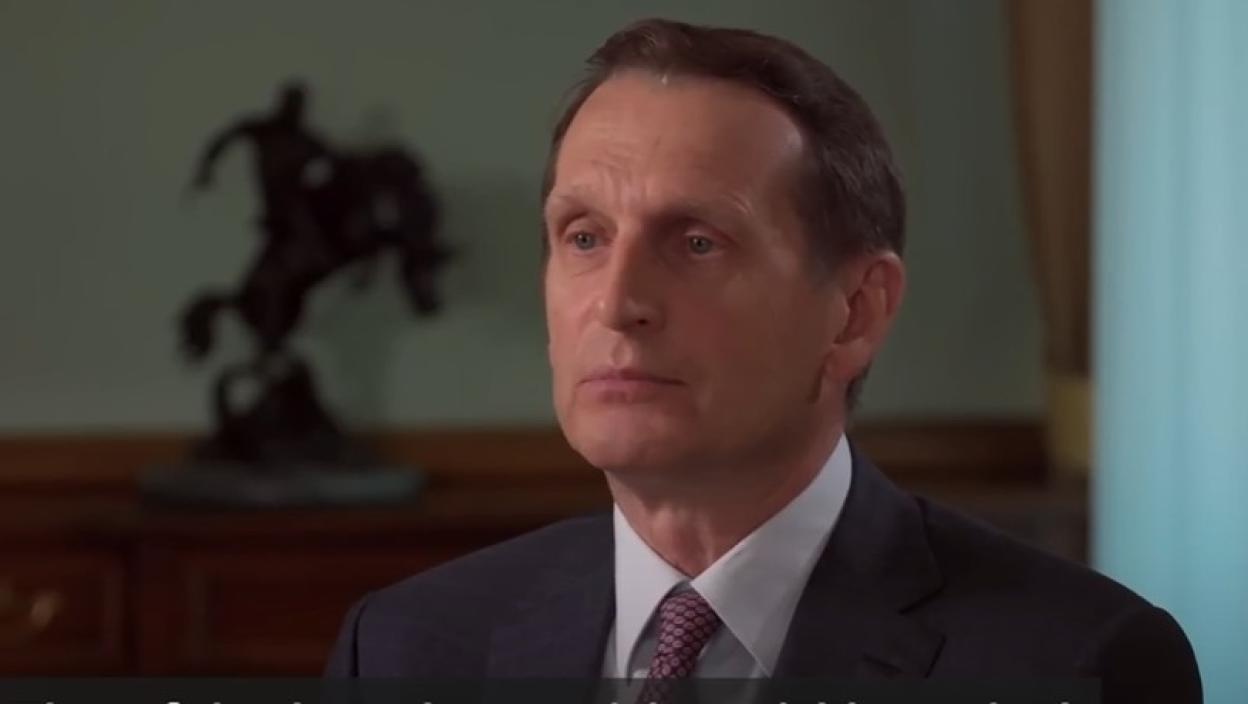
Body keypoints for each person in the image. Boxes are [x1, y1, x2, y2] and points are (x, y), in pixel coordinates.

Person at [325, 18, 1201, 703]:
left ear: (855, 313)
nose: (618, 302)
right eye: (584, 237)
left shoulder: (1076, 661)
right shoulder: (404, 649)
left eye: (697, 242)